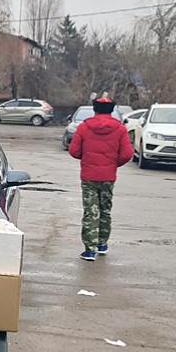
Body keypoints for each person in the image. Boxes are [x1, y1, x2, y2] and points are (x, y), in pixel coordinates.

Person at [67, 96, 133, 261]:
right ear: (112, 110)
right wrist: (112, 164)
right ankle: (102, 244)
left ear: (94, 109)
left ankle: (90, 249)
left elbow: (74, 150)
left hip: (89, 176)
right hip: (108, 176)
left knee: (91, 210)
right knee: (105, 209)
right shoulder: (120, 129)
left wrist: (88, 159)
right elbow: (127, 154)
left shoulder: (84, 127)